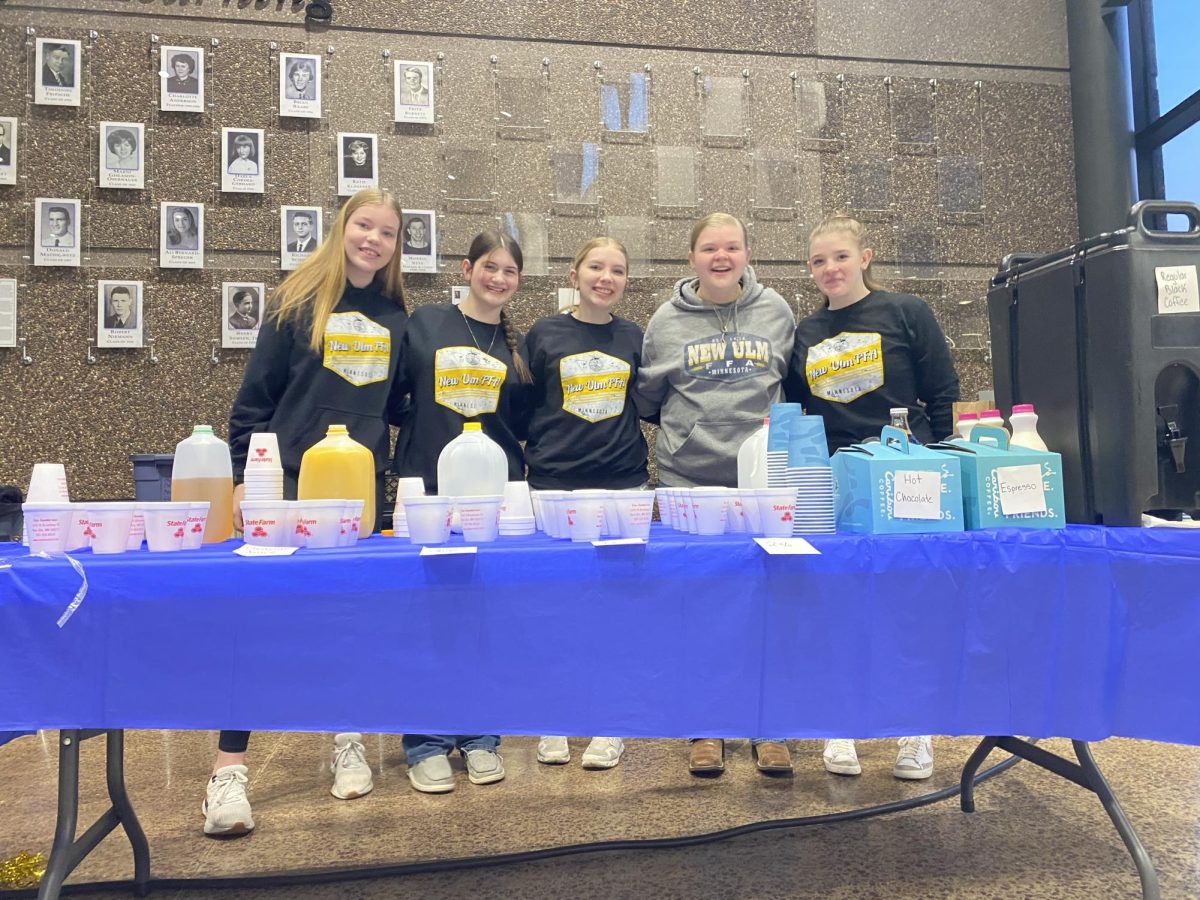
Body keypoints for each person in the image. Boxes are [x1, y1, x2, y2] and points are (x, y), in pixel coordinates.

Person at [202, 188, 408, 837]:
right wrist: (244, 480)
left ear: (397, 246)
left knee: (347, 619)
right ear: (341, 227)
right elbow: (252, 403)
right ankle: (228, 771)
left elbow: (401, 404)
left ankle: (347, 739)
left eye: (387, 232)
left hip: (359, 491)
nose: (373, 239)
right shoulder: (296, 302)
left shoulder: (396, 318)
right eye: (364, 225)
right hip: (286, 484)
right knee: (258, 624)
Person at [785, 212, 959, 782]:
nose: (829, 268)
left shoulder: (907, 312)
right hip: (834, 483)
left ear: (865, 257)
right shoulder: (805, 334)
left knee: (910, 604)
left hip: (908, 478)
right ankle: (842, 726)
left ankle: (915, 731)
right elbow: (799, 413)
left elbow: (942, 394)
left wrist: (939, 465)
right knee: (841, 603)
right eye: (818, 261)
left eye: (839, 256)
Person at [634, 212, 796, 777]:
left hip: (764, 483)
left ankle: (767, 726)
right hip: (689, 480)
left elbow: (789, 384)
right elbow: (648, 397)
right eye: (709, 248)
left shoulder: (776, 311)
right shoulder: (665, 320)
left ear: (749, 254)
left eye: (732, 247)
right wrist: (694, 432)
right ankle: (706, 728)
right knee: (698, 603)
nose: (721, 257)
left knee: (766, 603)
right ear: (692, 258)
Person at [390, 228, 531, 794]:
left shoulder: (517, 346)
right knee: (423, 617)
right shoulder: (425, 323)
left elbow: (519, 424)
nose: (498, 279)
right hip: (426, 487)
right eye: (490, 267)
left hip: (493, 493)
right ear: (467, 267)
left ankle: (479, 736)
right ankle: (424, 742)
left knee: (481, 618)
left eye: (510, 272)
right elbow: (396, 396)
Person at [525, 237, 647, 771]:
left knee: (617, 612)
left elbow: (646, 403)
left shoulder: (634, 337)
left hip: (622, 484)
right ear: (573, 274)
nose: (606, 277)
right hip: (553, 486)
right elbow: (523, 406)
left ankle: (610, 722)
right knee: (555, 607)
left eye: (617, 270)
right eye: (596, 267)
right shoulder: (544, 334)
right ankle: (553, 718)